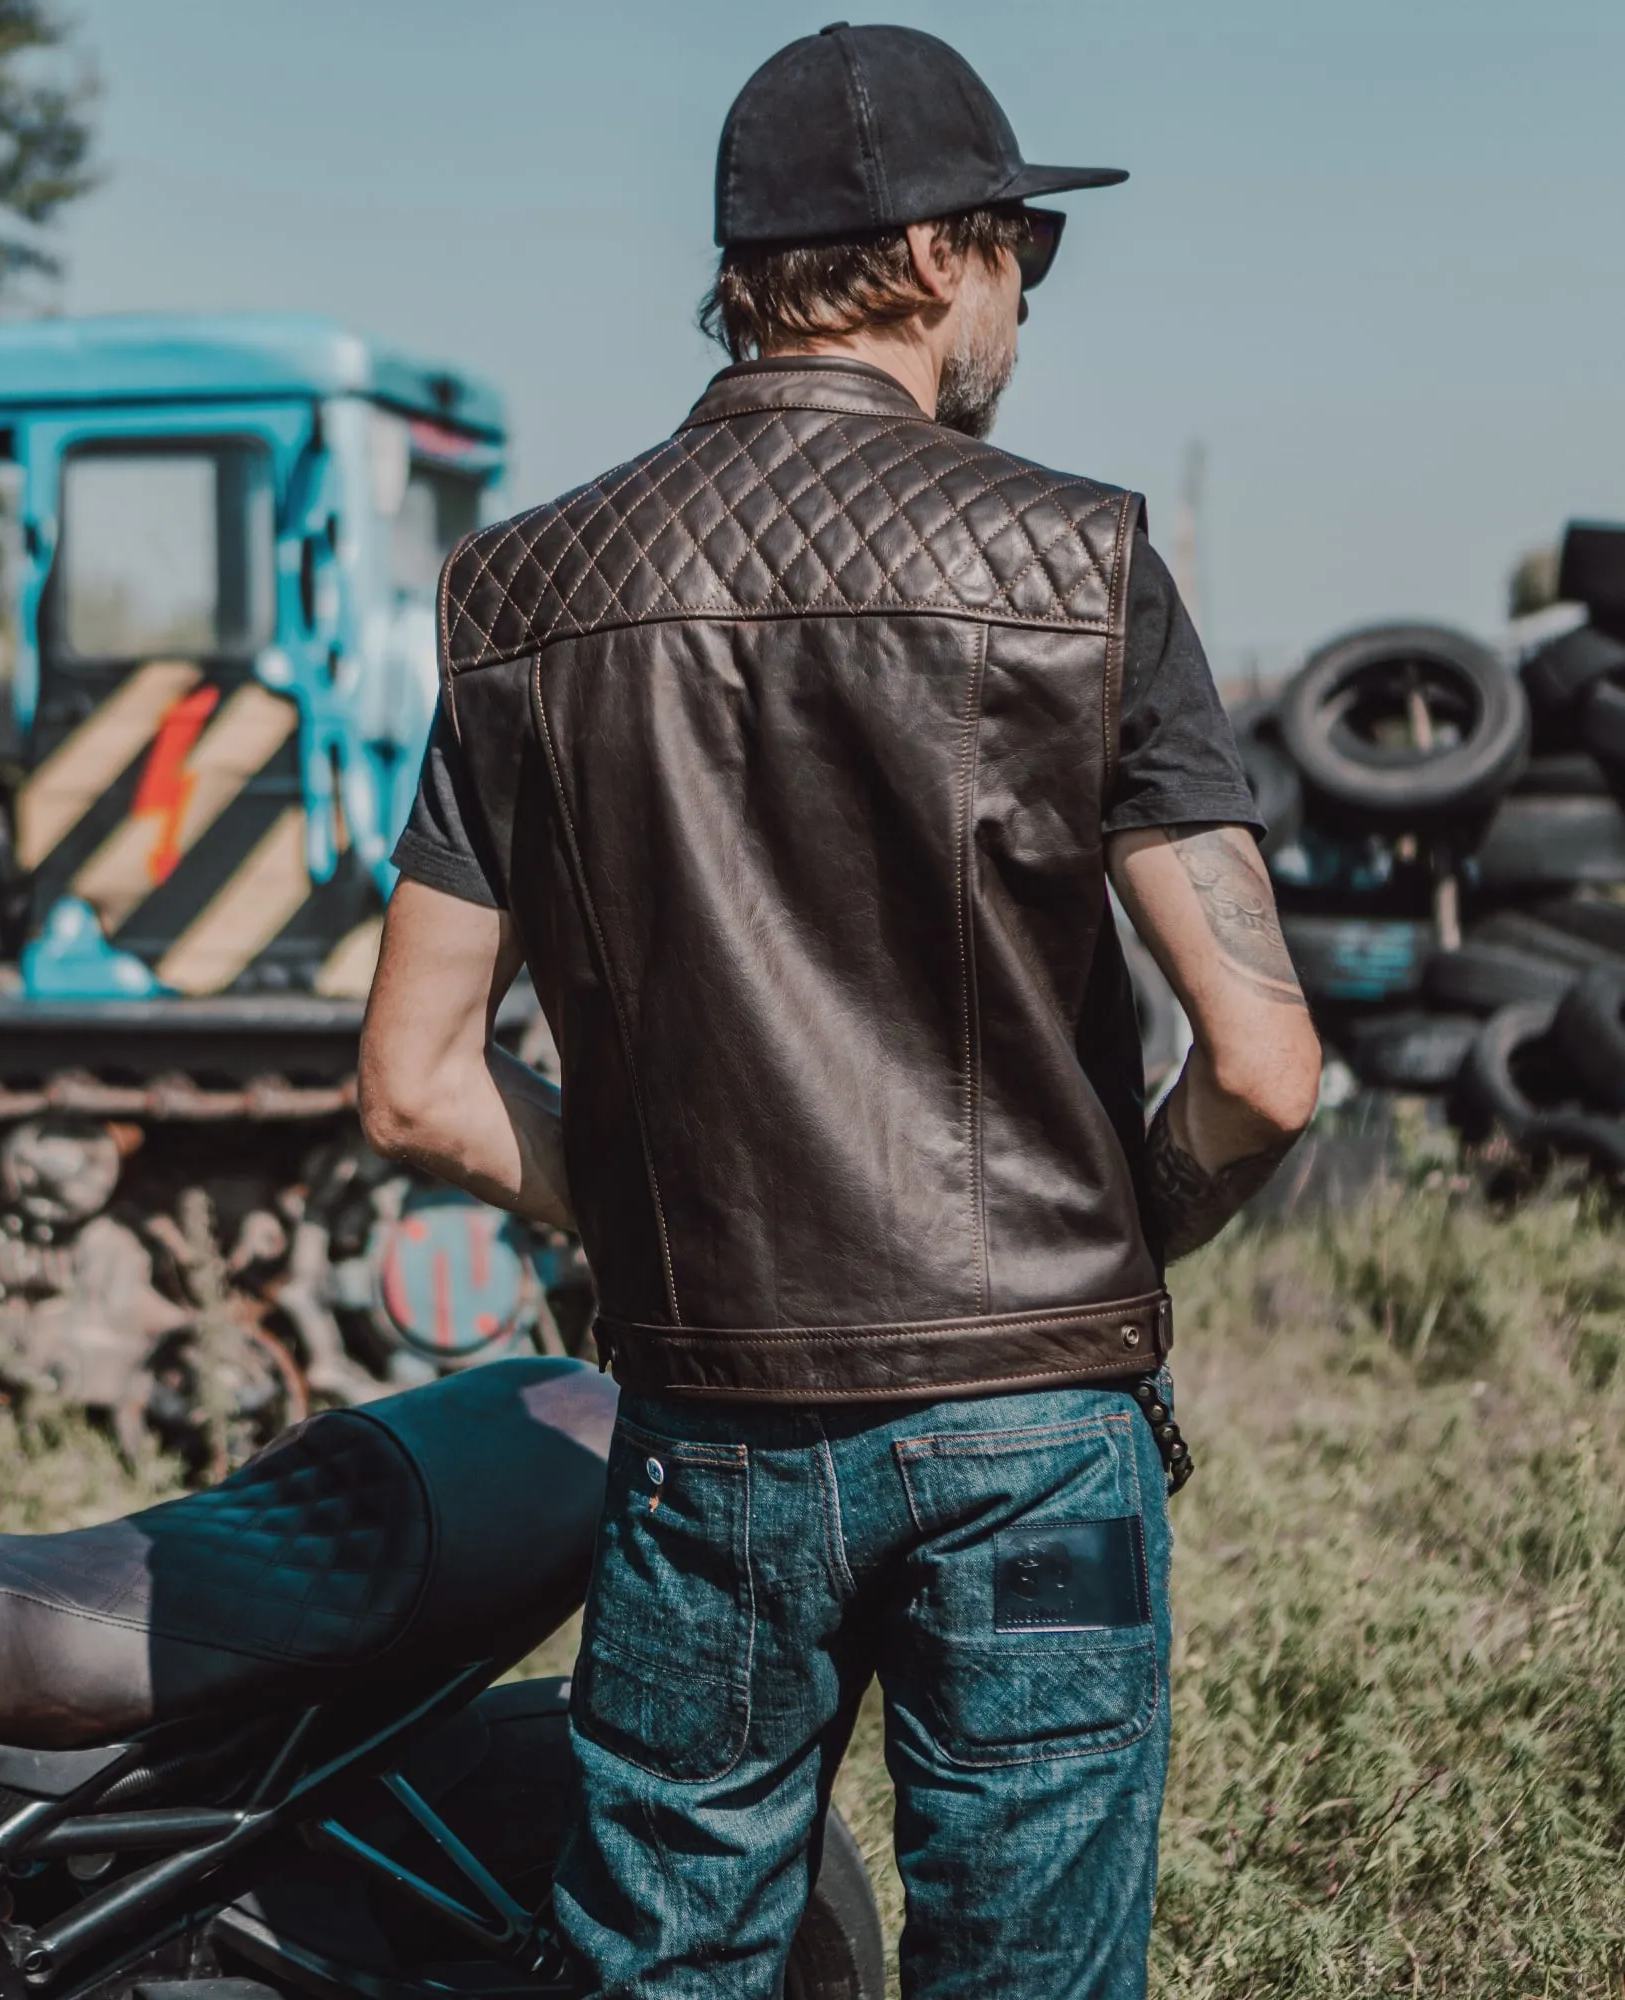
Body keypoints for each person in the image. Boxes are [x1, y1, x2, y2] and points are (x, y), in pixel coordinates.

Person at [357, 24, 1320, 2000]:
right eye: (1029, 258)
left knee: (669, 1964)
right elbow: (1263, 1069)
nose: (1025, 309)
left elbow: (415, 1086)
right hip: (1037, 1425)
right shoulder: (1083, 564)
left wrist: (639, 1216)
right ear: (951, 254)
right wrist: (1110, 1241)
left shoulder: (516, 603)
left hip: (709, 1412)